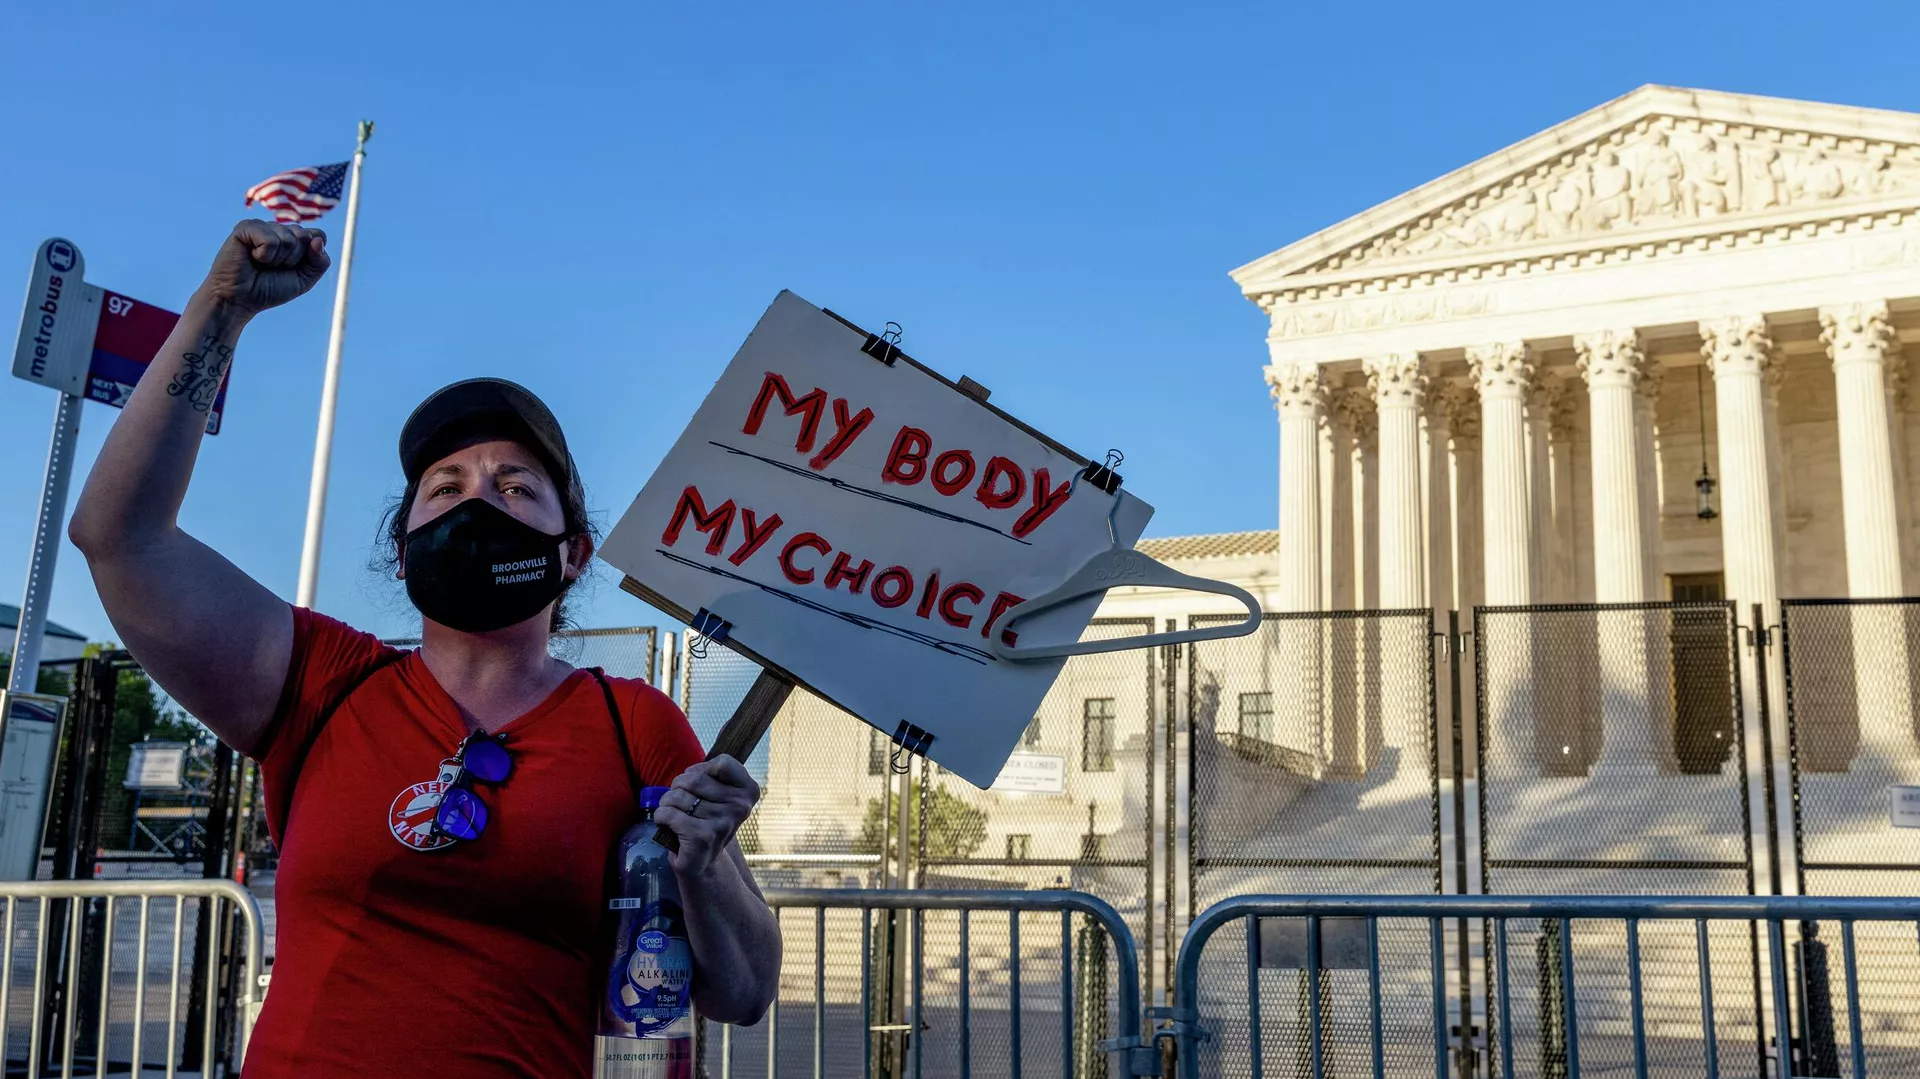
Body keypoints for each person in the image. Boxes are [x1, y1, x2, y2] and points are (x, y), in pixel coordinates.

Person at [68, 220, 781, 1077]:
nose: (479, 498)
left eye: (516, 485)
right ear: (403, 547)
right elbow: (119, 535)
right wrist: (219, 312)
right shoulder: (319, 683)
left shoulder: (636, 724)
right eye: (446, 486)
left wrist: (702, 867)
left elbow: (742, 993)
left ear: (574, 552)